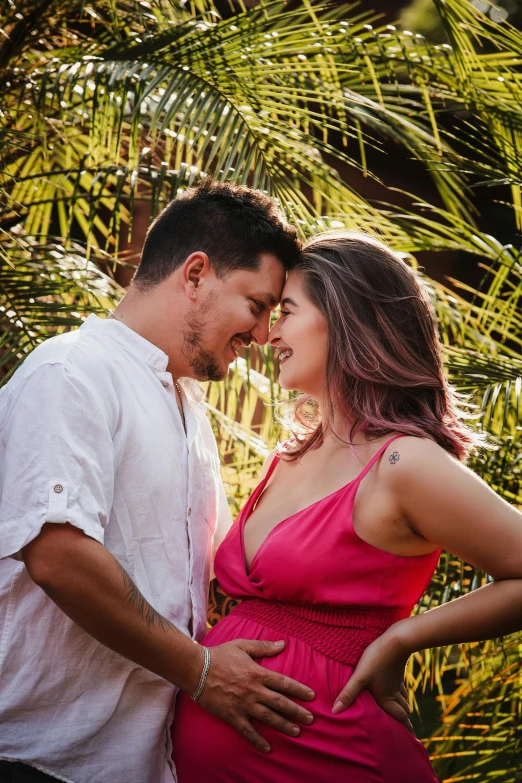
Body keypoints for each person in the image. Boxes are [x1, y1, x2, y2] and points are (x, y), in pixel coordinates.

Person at [172, 231, 522, 782]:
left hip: (338, 755)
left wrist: (404, 638)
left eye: (286, 311)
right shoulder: (285, 458)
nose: (269, 333)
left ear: (346, 318)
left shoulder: (402, 463)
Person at [0, 180, 317, 783]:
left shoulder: (187, 405)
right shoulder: (73, 371)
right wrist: (201, 670)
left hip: (139, 764)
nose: (261, 334)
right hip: (38, 762)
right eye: (256, 304)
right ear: (195, 274)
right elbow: (59, 555)